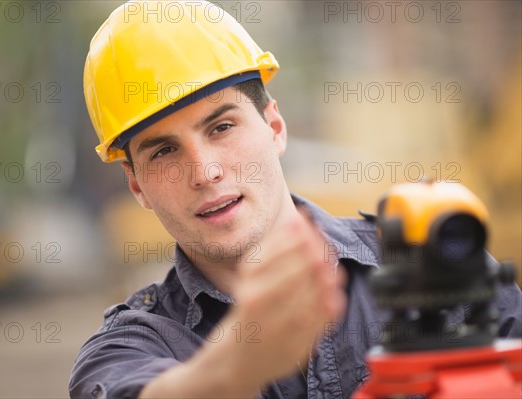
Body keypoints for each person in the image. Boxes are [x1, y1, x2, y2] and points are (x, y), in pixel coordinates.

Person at [70, 1, 522, 398]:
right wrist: (233, 370)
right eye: (165, 151)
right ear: (135, 185)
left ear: (275, 127)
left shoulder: (438, 266)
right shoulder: (130, 346)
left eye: (222, 127)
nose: (205, 173)